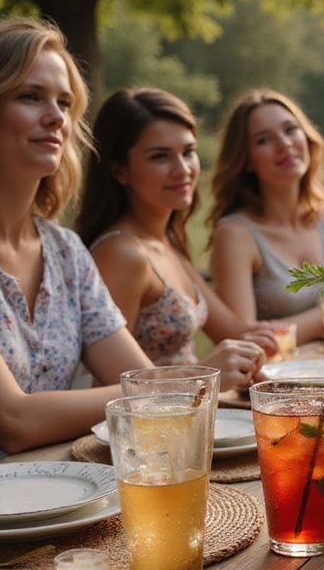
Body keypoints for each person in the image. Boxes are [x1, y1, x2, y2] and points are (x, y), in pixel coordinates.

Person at [0, 19, 152, 465]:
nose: (57, 117)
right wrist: (164, 387)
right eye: (30, 96)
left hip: (61, 502)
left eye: (65, 103)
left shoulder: (65, 250)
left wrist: (161, 386)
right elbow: (12, 421)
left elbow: (145, 380)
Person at [75, 88, 270, 387]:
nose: (183, 170)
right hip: (153, 425)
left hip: (192, 416)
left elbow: (234, 331)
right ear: (119, 169)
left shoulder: (165, 240)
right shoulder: (122, 253)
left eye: (188, 152)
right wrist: (206, 375)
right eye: (160, 156)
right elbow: (112, 387)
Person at [208, 90, 324, 341]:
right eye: (264, 140)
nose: (285, 144)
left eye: (290, 129)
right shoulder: (235, 234)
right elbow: (248, 341)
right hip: (273, 378)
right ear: (246, 160)